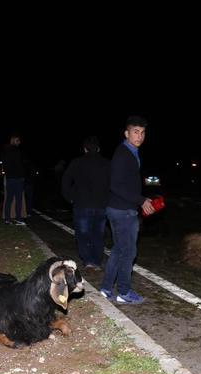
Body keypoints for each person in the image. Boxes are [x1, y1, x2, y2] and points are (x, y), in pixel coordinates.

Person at [99, 116, 155, 305]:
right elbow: (115, 185)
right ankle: (124, 291)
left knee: (119, 250)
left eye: (142, 132)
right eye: (135, 132)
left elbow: (126, 183)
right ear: (126, 133)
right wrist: (140, 200)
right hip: (122, 210)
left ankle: (106, 288)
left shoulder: (131, 152)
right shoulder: (123, 153)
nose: (139, 136)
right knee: (129, 252)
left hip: (121, 208)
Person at [61, 136, 110, 270]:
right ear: (99, 149)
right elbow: (113, 185)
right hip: (101, 205)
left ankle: (88, 260)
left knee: (83, 234)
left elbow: (65, 180)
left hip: (82, 204)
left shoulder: (77, 162)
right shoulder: (107, 163)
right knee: (98, 234)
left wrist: (70, 197)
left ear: (85, 149)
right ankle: (96, 260)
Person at [1, 133, 26, 225]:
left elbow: (4, 164)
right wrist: (22, 176)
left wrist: (7, 174)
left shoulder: (5, 150)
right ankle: (18, 219)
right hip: (17, 178)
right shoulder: (16, 150)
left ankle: (7, 219)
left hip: (9, 178)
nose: (19, 142)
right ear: (14, 140)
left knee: (9, 199)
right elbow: (19, 164)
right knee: (18, 199)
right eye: (18, 140)